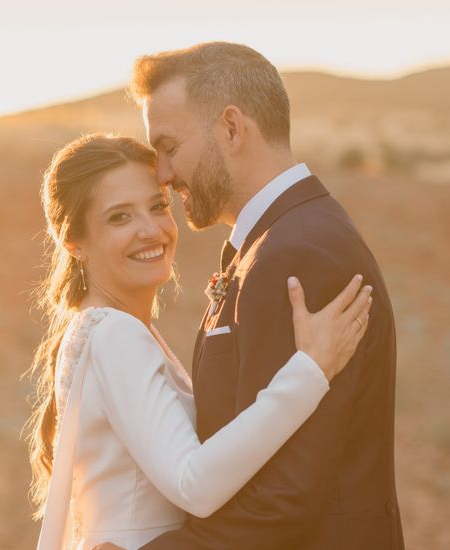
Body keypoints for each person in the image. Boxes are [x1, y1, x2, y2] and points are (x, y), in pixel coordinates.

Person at [25, 133, 374, 550]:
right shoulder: (115, 334)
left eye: (158, 207)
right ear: (74, 244)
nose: (151, 230)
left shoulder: (105, 328)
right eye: (120, 218)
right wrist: (310, 370)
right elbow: (194, 484)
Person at [130, 42, 405, 549]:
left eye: (169, 147)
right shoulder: (283, 238)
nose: (163, 176)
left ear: (231, 129)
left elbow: (282, 502)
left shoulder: (299, 255)